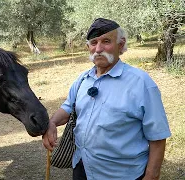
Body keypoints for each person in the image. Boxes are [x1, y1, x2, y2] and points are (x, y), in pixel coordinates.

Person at [42, 18, 171, 180]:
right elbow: (68, 107)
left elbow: (157, 135)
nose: (98, 49)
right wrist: (53, 122)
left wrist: (152, 176)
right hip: (83, 169)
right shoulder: (83, 79)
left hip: (122, 175)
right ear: (88, 47)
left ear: (121, 44)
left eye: (106, 41)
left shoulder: (141, 83)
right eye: (93, 42)